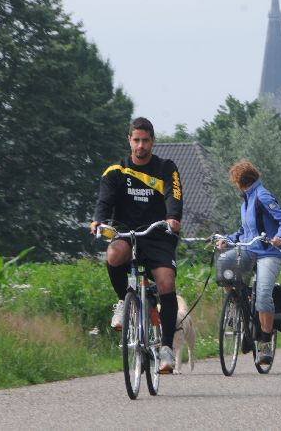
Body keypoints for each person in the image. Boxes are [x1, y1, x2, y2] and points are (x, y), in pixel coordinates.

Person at [90, 117, 183, 373]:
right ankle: (124, 301)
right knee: (113, 255)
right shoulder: (115, 172)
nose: (140, 145)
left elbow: (173, 194)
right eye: (136, 140)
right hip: (127, 232)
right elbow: (104, 201)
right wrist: (98, 220)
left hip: (157, 234)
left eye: (145, 140)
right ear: (129, 140)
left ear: (152, 141)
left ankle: (165, 347)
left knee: (166, 282)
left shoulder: (166, 167)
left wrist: (173, 217)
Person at [216, 161, 281, 365]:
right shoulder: (246, 201)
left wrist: (280, 237)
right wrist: (228, 239)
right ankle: (237, 306)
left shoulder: (262, 196)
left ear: (239, 182)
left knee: (264, 294)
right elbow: (244, 232)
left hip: (269, 252)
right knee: (224, 265)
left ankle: (265, 342)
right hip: (249, 249)